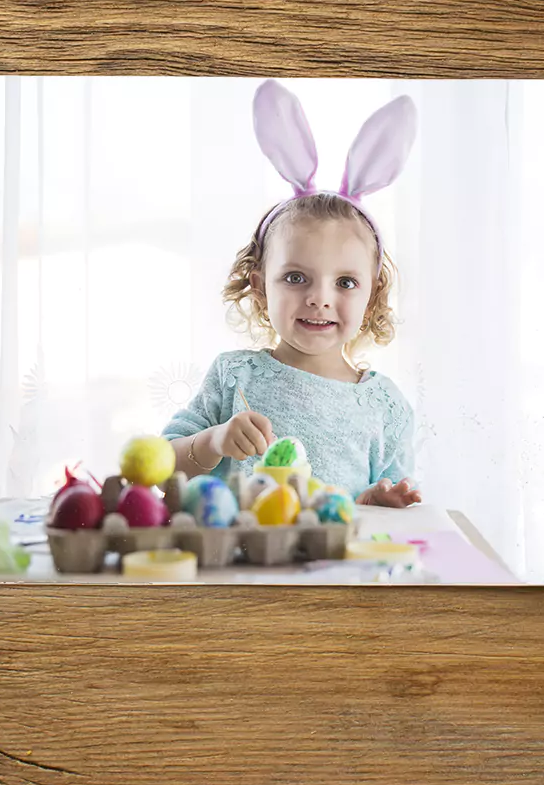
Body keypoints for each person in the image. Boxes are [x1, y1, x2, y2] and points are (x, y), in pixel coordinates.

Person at [162, 81, 421, 508]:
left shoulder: (386, 407)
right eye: (297, 278)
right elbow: (163, 467)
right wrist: (215, 440)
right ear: (260, 285)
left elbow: (396, 506)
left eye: (345, 282)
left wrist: (378, 501)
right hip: (237, 567)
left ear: (372, 297)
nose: (320, 298)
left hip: (330, 572)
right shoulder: (234, 376)